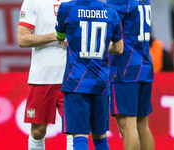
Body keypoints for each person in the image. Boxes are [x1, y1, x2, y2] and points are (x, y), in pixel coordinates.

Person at [55, 0, 124, 149]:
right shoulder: (111, 11)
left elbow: (60, 36)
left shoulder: (67, 8)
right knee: (100, 136)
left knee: (80, 135)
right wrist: (101, 47)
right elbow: (119, 48)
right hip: (101, 82)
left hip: (76, 81)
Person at [17, 0, 73, 149]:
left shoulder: (76, 1)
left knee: (74, 131)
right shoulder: (32, 2)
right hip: (42, 76)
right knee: (37, 131)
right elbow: (22, 39)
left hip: (71, 77)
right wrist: (55, 36)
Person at [107, 0, 155, 150]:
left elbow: (105, 28)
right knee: (142, 125)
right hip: (144, 64)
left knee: (128, 127)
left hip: (125, 67)